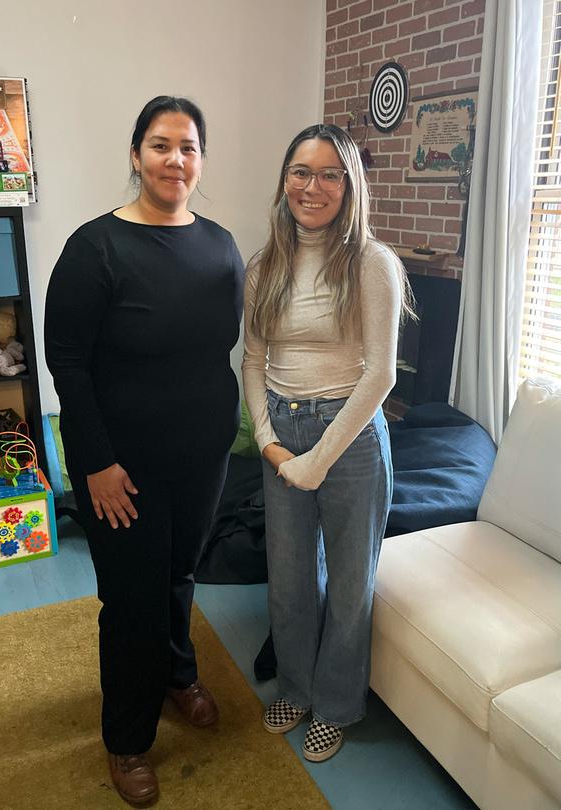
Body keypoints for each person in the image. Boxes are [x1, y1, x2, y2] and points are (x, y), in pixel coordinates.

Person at [45, 95, 244, 805]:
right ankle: (127, 740)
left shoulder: (220, 246)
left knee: (179, 575)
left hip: (202, 455)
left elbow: (223, 347)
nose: (175, 160)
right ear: (136, 155)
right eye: (161, 145)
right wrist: (97, 463)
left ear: (201, 161)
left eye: (188, 147)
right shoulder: (94, 247)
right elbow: (68, 364)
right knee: (131, 598)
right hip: (119, 466)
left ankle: (176, 674)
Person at [242, 123, 413, 762]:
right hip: (283, 431)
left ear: (350, 185)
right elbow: (252, 361)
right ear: (284, 180)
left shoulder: (372, 262)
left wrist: (319, 460)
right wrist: (268, 442)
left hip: (352, 436)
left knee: (348, 584)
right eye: (301, 172)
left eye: (329, 175)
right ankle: (296, 687)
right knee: (288, 579)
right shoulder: (264, 266)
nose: (312, 187)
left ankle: (337, 705)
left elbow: (381, 375)